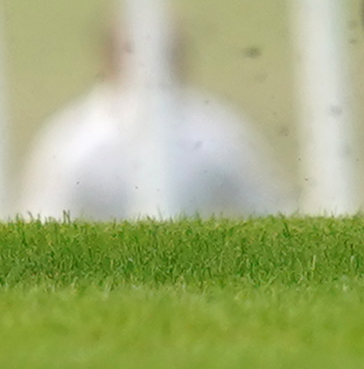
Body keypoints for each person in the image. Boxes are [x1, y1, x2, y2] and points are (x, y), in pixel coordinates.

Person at [16, 16, 285, 221]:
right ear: (107, 58)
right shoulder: (74, 142)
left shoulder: (219, 132)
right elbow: (41, 226)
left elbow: (271, 213)